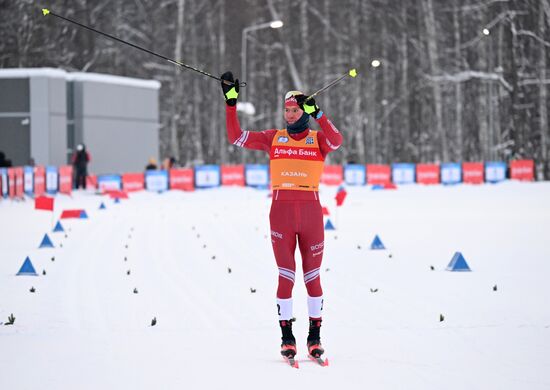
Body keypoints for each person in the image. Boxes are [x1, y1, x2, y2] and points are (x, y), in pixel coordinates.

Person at [220, 71, 343, 361]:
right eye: (285, 109)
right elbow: (236, 137)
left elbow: (337, 140)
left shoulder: (318, 140)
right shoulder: (272, 138)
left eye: (294, 109)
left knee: (312, 278)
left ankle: (315, 336)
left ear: (305, 111)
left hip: (311, 215)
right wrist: (230, 103)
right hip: (281, 215)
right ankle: (287, 337)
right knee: (286, 277)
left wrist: (320, 115)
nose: (288, 114)